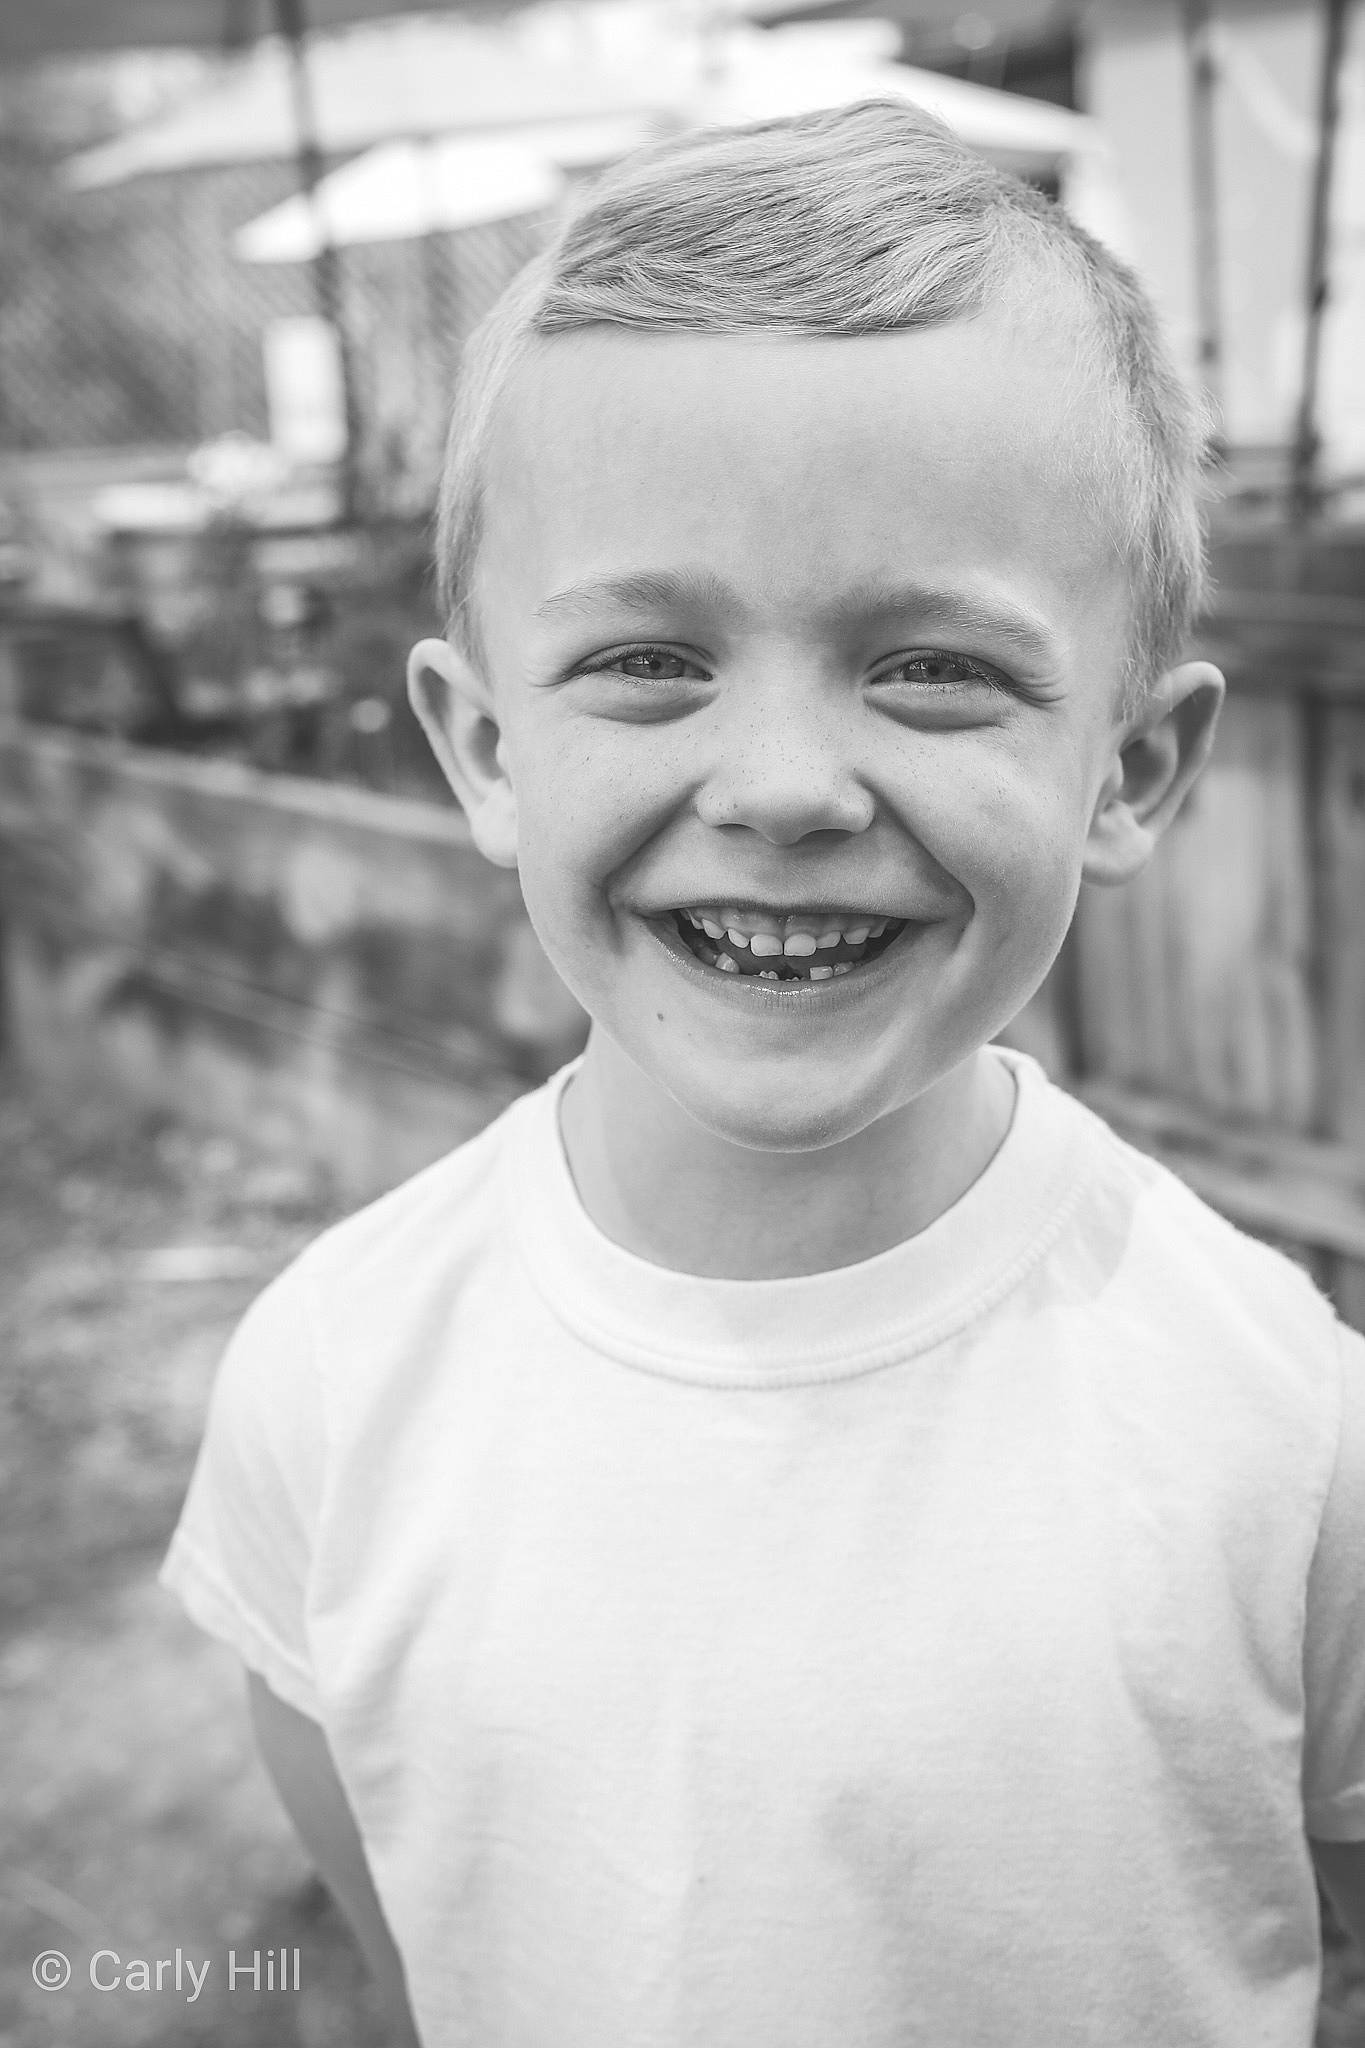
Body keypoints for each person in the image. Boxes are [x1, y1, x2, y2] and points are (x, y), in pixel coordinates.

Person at [161, 99, 1365, 2048]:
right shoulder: (330, 1376)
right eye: (646, 660)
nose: (786, 787)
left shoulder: (1286, 1437)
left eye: (930, 668)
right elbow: (391, 1960)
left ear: (1130, 770)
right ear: (480, 750)